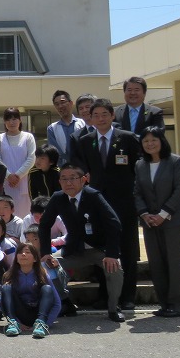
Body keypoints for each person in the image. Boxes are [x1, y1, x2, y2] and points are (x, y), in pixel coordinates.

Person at [72, 97, 142, 310]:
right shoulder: (84, 141)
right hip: (98, 203)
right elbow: (80, 169)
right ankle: (105, 295)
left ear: (112, 116)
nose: (100, 118)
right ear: (90, 119)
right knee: (101, 250)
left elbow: (138, 171)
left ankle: (128, 296)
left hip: (124, 202)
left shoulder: (128, 139)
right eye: (96, 115)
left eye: (105, 114)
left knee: (127, 249)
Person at [38, 164, 125, 323]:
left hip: (100, 249)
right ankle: (65, 302)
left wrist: (112, 254)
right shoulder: (58, 197)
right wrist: (45, 253)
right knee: (44, 266)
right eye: (64, 179)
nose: (68, 183)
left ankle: (114, 308)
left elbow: (114, 223)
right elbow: (44, 225)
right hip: (74, 249)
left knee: (116, 268)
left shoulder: (93, 195)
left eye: (72, 178)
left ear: (83, 180)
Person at [134, 126, 180, 317]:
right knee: (156, 263)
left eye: (153, 140)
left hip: (173, 221)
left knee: (174, 263)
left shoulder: (175, 161)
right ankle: (164, 303)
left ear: (161, 141)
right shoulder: (140, 164)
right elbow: (137, 192)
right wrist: (144, 214)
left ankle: (178, 305)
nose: (150, 144)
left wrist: (163, 214)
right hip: (149, 222)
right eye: (146, 140)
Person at [1, 242, 60, 338]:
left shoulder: (43, 274)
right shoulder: (9, 275)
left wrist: (47, 323)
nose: (23, 254)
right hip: (20, 313)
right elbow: (3, 302)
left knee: (47, 288)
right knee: (6, 288)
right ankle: (13, 323)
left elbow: (57, 303)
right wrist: (18, 322)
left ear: (35, 258)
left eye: (27, 252)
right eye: (20, 252)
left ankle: (40, 324)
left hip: (39, 312)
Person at [0, 107, 36, 218]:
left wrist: (18, 176)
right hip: (5, 183)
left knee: (25, 215)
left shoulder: (28, 137)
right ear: (4, 121)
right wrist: (8, 176)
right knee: (5, 215)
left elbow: (31, 158)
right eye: (8, 119)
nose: (11, 122)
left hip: (24, 182)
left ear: (20, 120)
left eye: (14, 119)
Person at [47, 90, 85, 167]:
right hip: (63, 170)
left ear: (71, 103)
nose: (60, 106)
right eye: (57, 104)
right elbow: (55, 152)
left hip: (83, 168)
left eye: (63, 102)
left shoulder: (83, 123)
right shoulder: (52, 128)